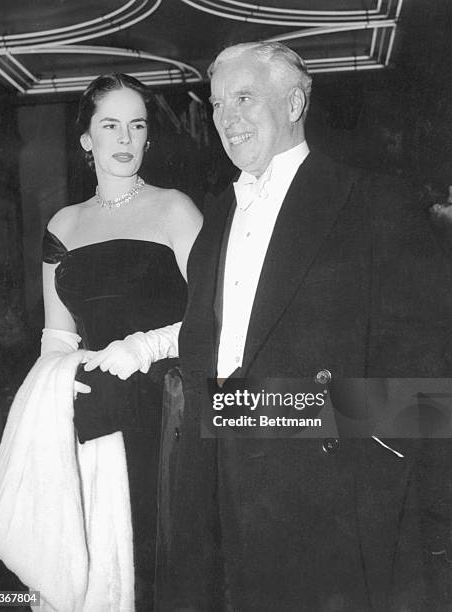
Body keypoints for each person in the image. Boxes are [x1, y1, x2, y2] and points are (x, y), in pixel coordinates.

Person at [86, 43, 452, 610]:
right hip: (218, 493)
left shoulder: (372, 203)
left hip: (331, 506)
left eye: (244, 98)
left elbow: (426, 398)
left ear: (295, 103)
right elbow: (202, 349)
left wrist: (288, 417)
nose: (226, 118)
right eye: (215, 104)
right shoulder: (217, 217)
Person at [0, 73, 202, 611]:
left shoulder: (176, 209)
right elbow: (57, 336)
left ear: (148, 138)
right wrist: (58, 395)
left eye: (136, 126)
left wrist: (142, 348)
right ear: (87, 140)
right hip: (89, 413)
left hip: (162, 410)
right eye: (110, 126)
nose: (125, 139)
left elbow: (210, 320)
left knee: (151, 563)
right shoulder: (62, 223)